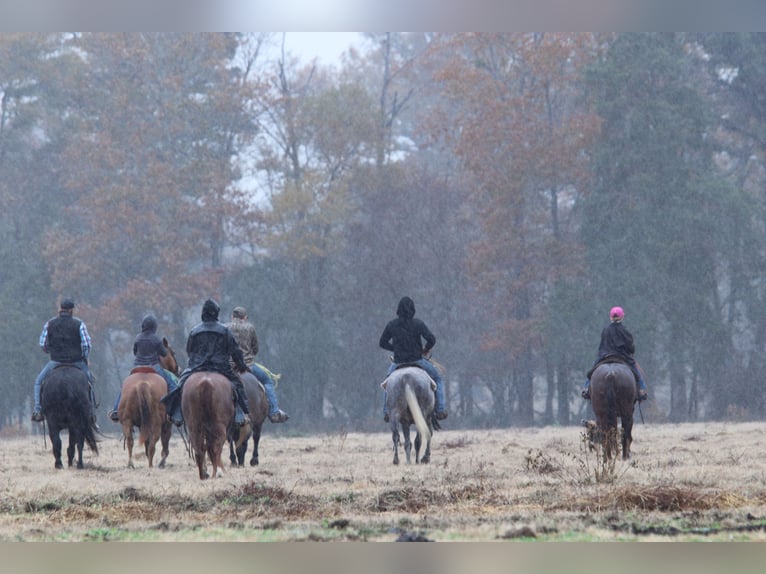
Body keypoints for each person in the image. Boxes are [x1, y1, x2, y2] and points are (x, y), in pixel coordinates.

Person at [161, 299, 250, 426]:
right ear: (216, 314)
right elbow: (235, 351)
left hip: (197, 367)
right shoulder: (225, 331)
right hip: (221, 368)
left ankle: (177, 413)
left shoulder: (195, 331)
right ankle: (241, 414)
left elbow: (190, 351)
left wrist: (194, 363)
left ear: (203, 313)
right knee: (238, 385)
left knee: (180, 385)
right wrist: (241, 366)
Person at [379, 296, 447, 422]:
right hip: (417, 360)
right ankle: (441, 409)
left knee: (387, 383)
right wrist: (425, 349)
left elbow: (382, 343)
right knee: (438, 378)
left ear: (398, 310)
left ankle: (386, 411)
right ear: (413, 309)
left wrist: (395, 348)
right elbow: (431, 339)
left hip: (398, 362)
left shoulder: (392, 325)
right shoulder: (418, 324)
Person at [32, 298, 97, 422]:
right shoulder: (79, 324)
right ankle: (91, 413)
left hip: (55, 361)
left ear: (60, 309)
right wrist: (84, 357)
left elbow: (42, 344)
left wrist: (51, 351)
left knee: (38, 382)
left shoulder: (50, 323)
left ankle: (38, 410)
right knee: (90, 382)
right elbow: (86, 345)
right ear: (72, 310)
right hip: (76, 361)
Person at [108, 314, 179, 422]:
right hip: (154, 367)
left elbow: (135, 352)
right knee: (173, 385)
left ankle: (116, 410)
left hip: (138, 367)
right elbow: (164, 354)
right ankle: (175, 413)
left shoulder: (138, 338)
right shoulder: (156, 339)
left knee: (124, 387)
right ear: (154, 326)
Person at [225, 306, 289, 423]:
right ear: (245, 318)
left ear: (232, 317)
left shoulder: (225, 328)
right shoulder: (250, 328)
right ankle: (274, 412)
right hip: (247, 366)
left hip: (228, 367)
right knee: (268, 380)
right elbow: (255, 348)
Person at [581, 306, 648, 402]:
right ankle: (642, 389)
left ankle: (586, 388)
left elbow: (602, 345)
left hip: (605, 355)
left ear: (610, 317)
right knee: (635, 370)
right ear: (622, 317)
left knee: (592, 370)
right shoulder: (625, 331)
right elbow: (630, 348)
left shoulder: (605, 330)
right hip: (622, 356)